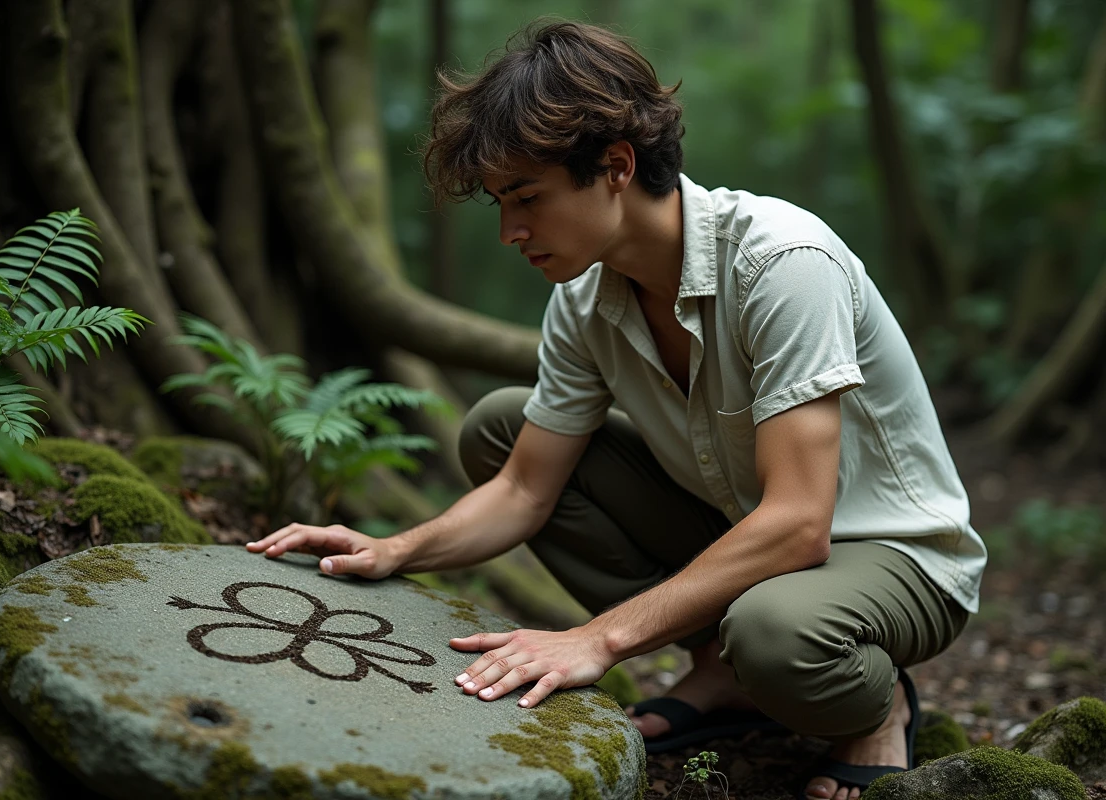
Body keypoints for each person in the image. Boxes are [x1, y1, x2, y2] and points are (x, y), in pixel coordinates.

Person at [246, 19, 986, 800]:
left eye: (527, 197)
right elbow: (525, 487)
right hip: (749, 534)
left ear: (615, 166)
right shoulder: (584, 299)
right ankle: (720, 673)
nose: (509, 231)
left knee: (775, 631)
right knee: (500, 428)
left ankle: (877, 705)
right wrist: (397, 549)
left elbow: (801, 522)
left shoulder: (782, 264)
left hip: (895, 557)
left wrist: (596, 640)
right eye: (500, 203)